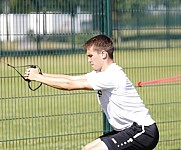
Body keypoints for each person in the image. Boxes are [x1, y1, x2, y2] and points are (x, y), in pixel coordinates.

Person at [24, 34, 159, 150]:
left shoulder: (111, 75)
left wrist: (37, 77)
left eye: (91, 56)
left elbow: (69, 85)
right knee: (87, 148)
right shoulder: (101, 74)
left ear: (103, 54)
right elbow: (70, 78)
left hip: (143, 131)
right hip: (127, 130)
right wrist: (42, 75)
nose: (89, 60)